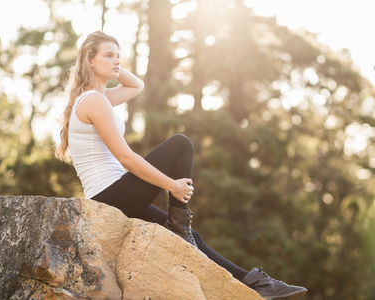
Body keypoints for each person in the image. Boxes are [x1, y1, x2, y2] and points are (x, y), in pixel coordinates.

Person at [55, 30, 307, 299]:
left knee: (192, 239)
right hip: (110, 195)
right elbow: (126, 158)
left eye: (119, 56)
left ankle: (256, 284)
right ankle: (179, 222)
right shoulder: (94, 101)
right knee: (180, 144)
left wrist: (112, 67)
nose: (117, 61)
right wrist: (171, 186)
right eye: (108, 56)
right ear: (90, 60)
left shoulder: (98, 98)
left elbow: (135, 86)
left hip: (114, 195)